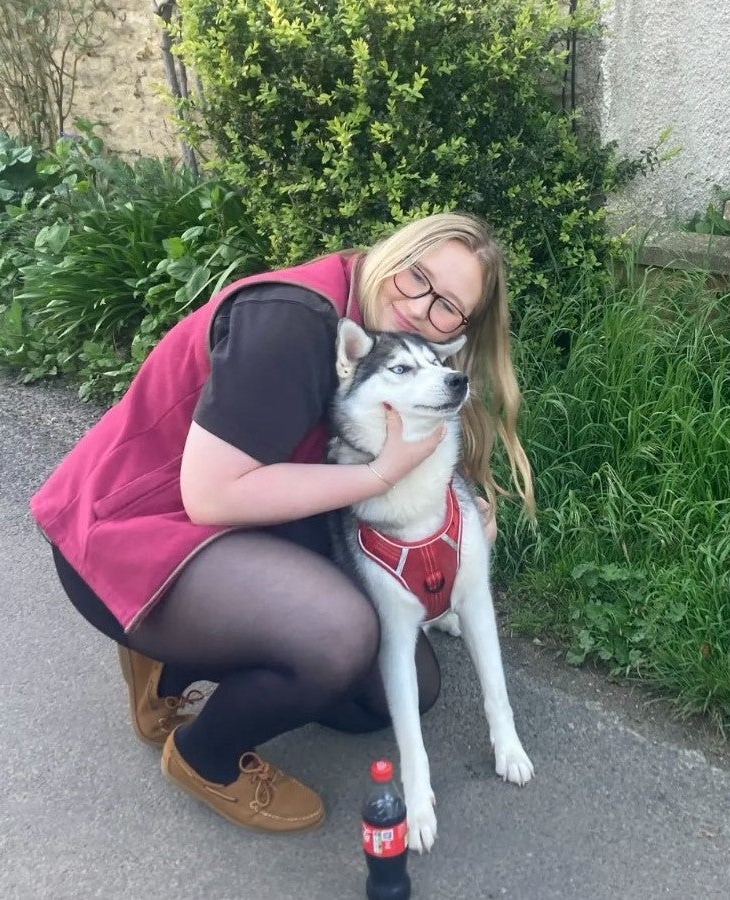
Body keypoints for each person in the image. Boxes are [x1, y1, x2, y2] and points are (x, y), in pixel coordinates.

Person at [32, 212, 535, 835]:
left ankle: (171, 664)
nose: (419, 307)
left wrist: (454, 514)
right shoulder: (294, 323)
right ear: (394, 253)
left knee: (396, 689)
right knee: (338, 637)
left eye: (447, 307)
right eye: (416, 277)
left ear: (461, 328)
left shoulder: (382, 333)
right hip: (128, 536)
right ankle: (205, 756)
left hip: (243, 530)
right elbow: (212, 495)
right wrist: (380, 477)